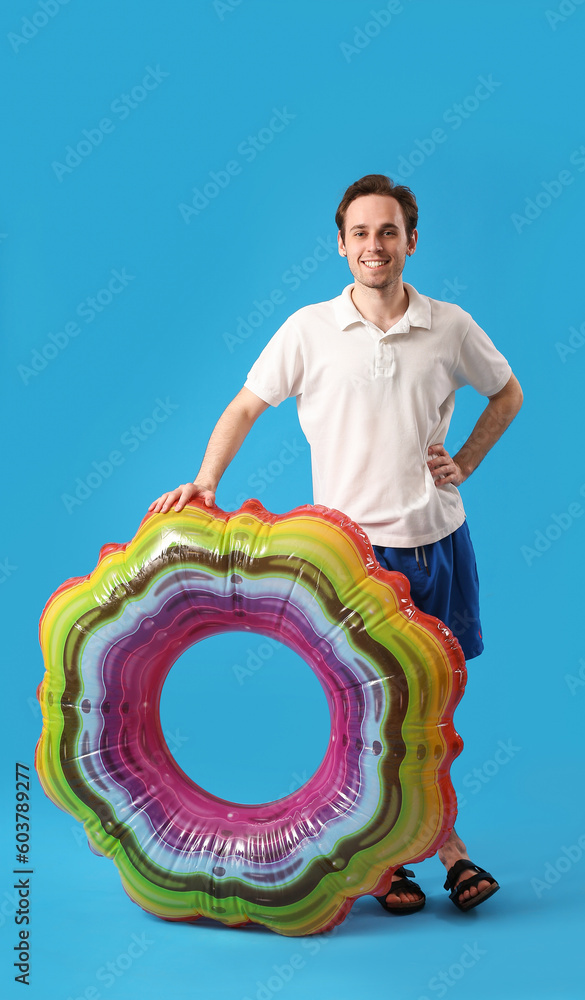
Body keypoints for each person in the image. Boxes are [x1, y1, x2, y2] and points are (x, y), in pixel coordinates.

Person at [149, 174, 523, 915]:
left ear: (411, 241)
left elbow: (507, 392)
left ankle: (423, 848)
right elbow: (244, 405)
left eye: (388, 232)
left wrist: (467, 462)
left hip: (437, 542)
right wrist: (205, 480)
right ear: (341, 244)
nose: (374, 245)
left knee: (432, 708)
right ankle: (415, 857)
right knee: (372, 718)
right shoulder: (307, 330)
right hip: (349, 559)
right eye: (360, 233)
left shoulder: (447, 325)